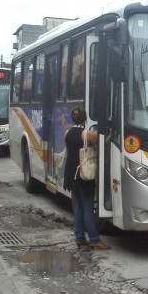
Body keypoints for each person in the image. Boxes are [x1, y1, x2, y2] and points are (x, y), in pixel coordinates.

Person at [63, 107, 111, 250]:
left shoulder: (67, 133)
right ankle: (94, 239)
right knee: (88, 207)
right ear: (85, 119)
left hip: (70, 174)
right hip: (83, 174)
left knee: (79, 207)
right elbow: (102, 142)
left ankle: (79, 237)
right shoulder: (87, 134)